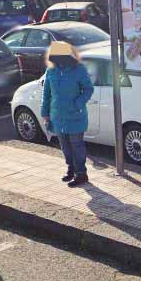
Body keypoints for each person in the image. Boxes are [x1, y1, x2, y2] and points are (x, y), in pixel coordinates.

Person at [40, 41, 94, 187]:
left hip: (75, 115)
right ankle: (71, 169)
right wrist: (45, 113)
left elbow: (88, 89)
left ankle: (81, 174)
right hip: (58, 115)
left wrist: (78, 103)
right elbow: (47, 94)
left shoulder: (79, 70)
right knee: (64, 145)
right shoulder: (51, 71)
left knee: (77, 145)